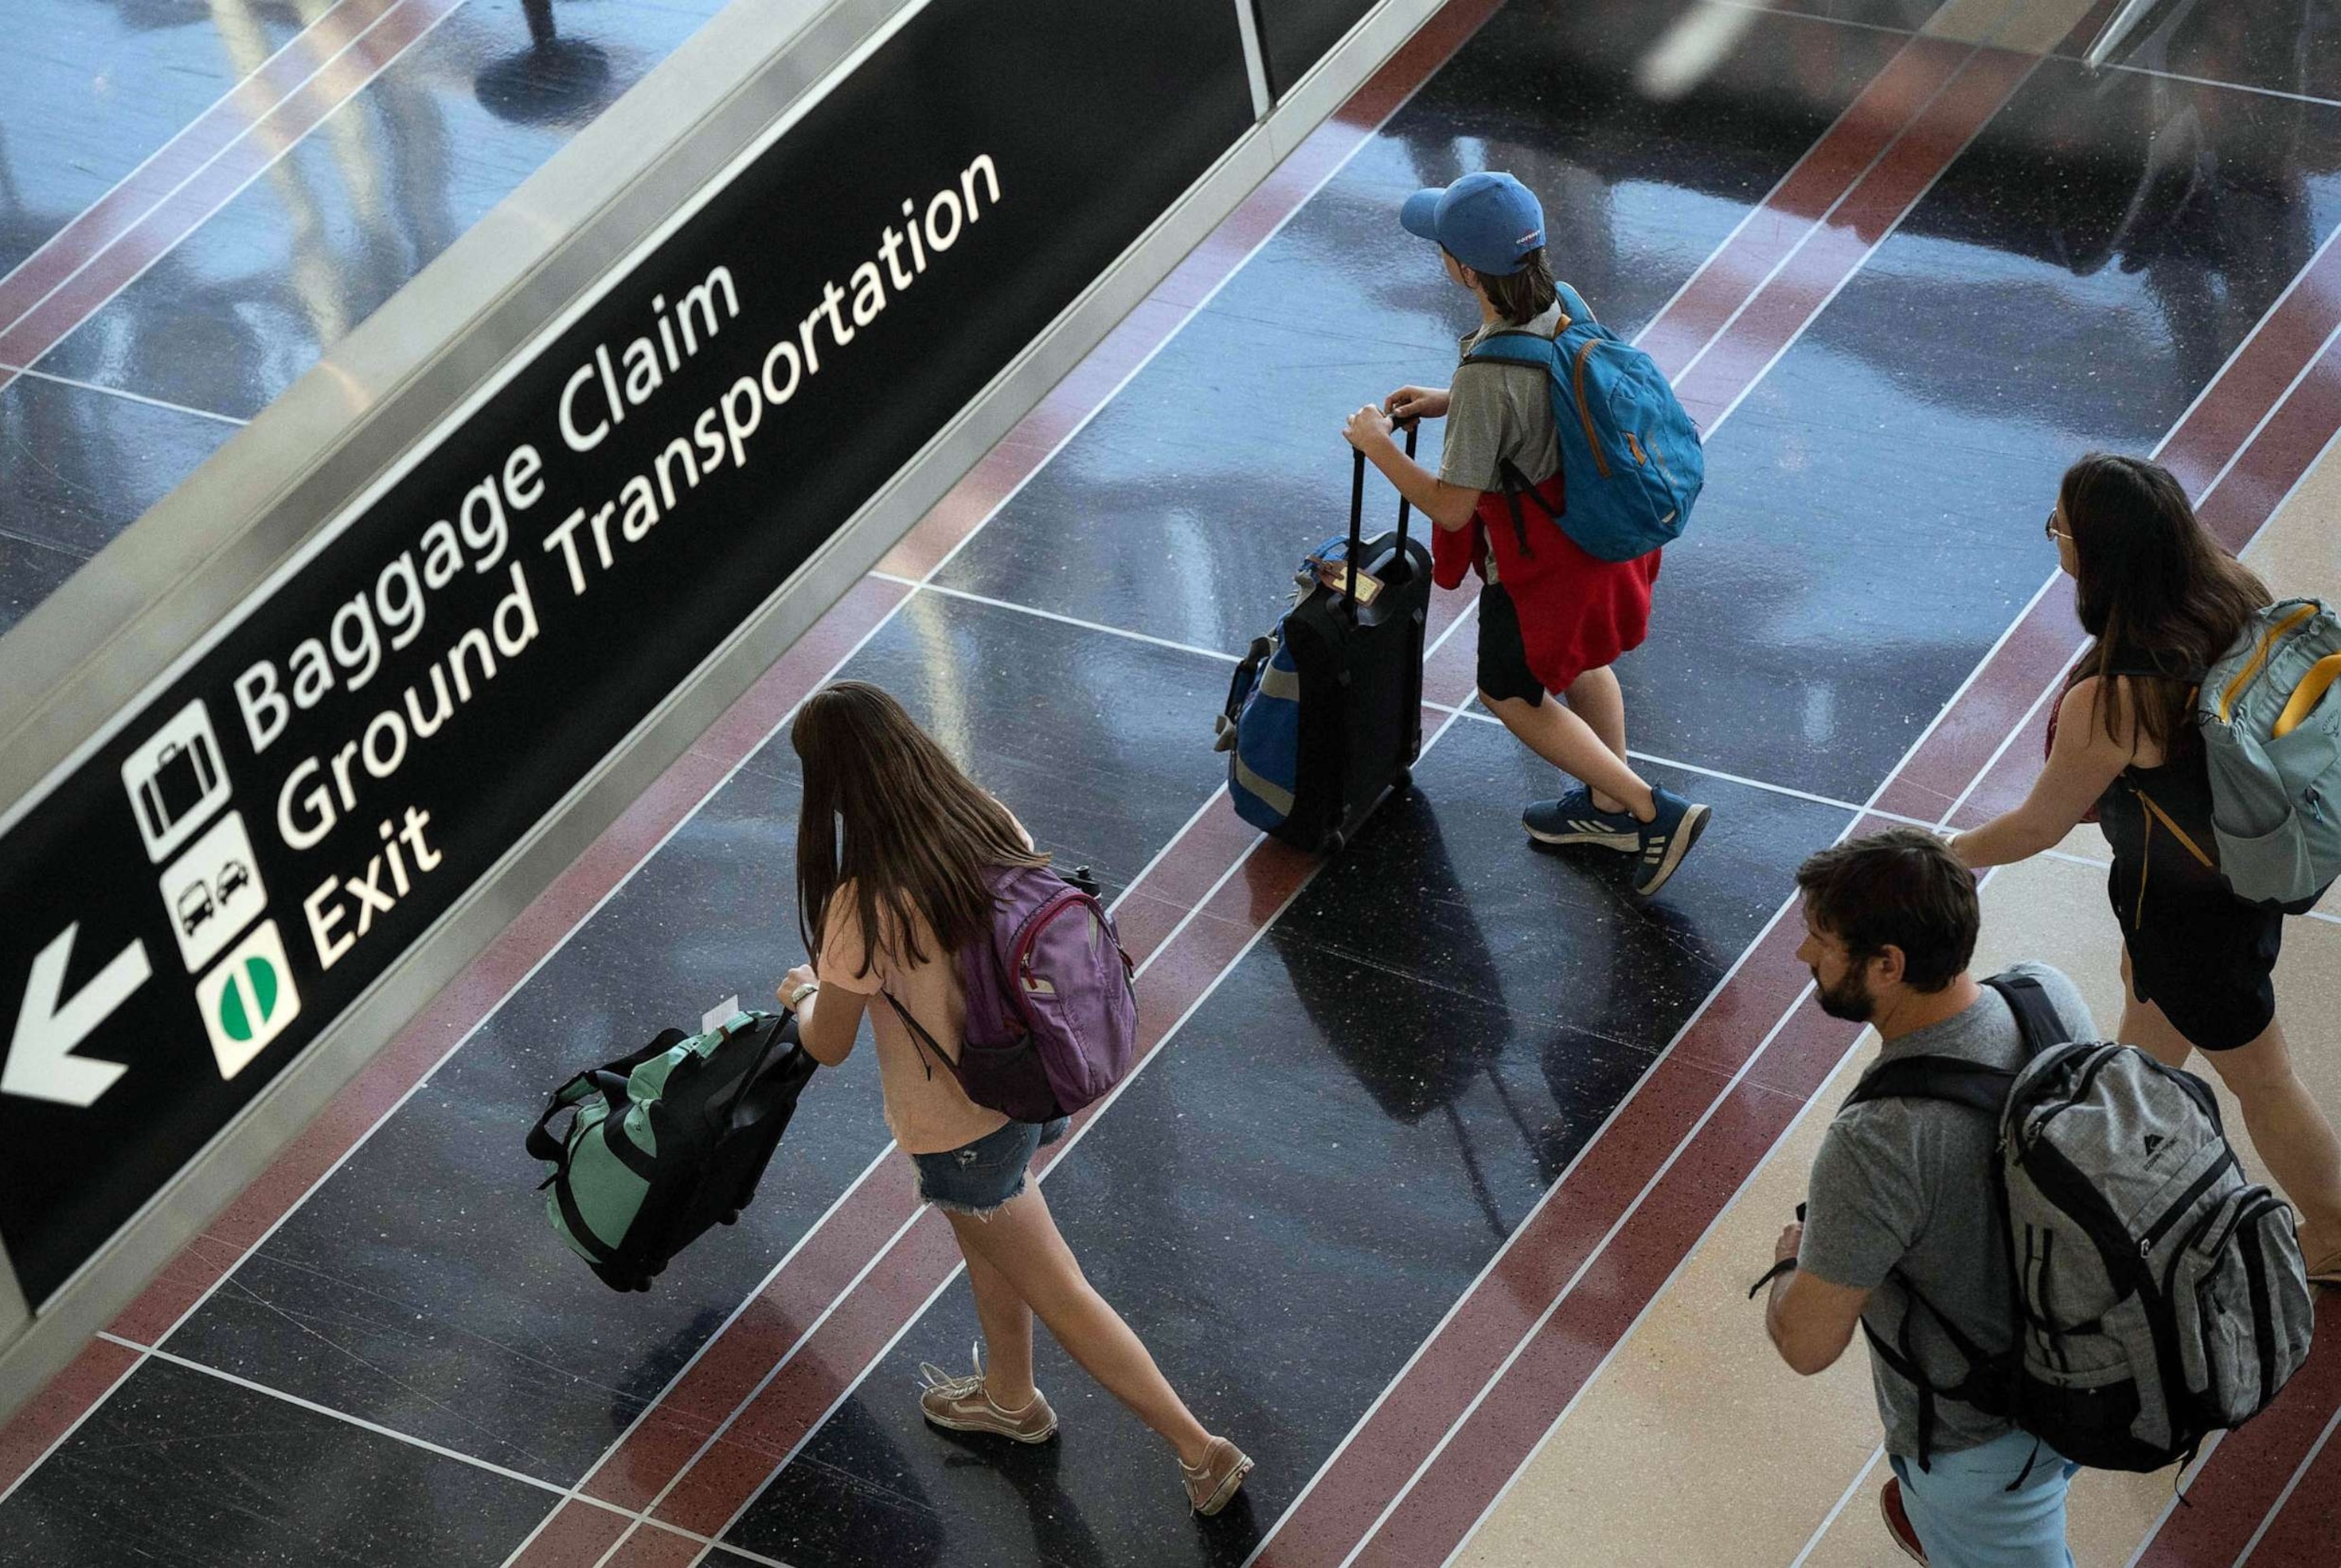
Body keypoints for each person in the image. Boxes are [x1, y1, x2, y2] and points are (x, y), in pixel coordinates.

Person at [772, 681, 1253, 1515]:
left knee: (1059, 1286)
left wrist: (805, 991)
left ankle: (1198, 1449)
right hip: (1029, 1078)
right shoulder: (987, 822)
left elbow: (829, 1043)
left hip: (956, 1126)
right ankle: (1009, 1396)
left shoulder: (863, 902)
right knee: (991, 1238)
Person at [1950, 454, 2341, 1285]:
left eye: (2059, 526)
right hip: (2234, 874)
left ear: (2100, 554)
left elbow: (2039, 825)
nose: (2053, 535)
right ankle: (2114, 1168)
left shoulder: (2119, 697)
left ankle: (2339, 1229)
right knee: (2144, 1049)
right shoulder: (2232, 592)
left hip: (2188, 915)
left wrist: (1942, 855)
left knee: (2265, 1082)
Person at [1340, 170, 1709, 897]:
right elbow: (1546, 389)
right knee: (1576, 664)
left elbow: (1451, 507)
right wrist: (1452, 400)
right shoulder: (1562, 300)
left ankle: (1646, 809)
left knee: (1506, 691)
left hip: (1540, 561)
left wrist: (1377, 445)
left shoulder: (1487, 371)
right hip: (1597, 536)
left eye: (1441, 248)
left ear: (1463, 269)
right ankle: (1608, 803)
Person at [1765, 827, 2093, 1566]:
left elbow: (1810, 1345)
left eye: (1821, 939)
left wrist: (1792, 1265)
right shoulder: (2046, 996)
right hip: (2085, 1365)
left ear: (1888, 965)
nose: (1803, 955)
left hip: (1979, 1452)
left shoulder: (1878, 1140)